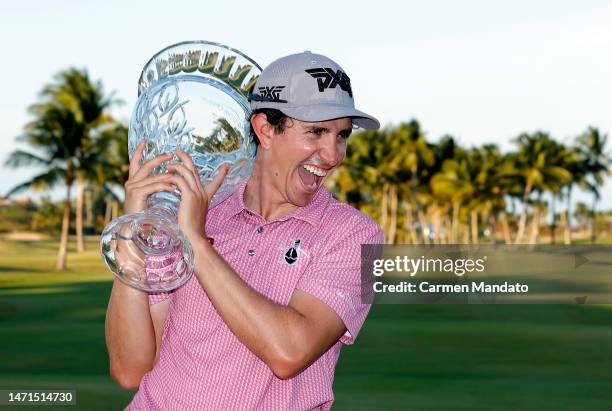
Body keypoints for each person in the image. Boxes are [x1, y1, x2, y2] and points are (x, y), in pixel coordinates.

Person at [105, 51, 382, 410]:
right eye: (316, 132)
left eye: (342, 135)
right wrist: (135, 233)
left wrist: (197, 244)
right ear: (265, 129)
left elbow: (289, 352)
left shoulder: (355, 235)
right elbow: (130, 369)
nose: (332, 155)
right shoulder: (199, 209)